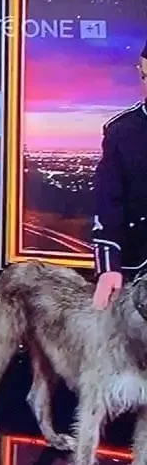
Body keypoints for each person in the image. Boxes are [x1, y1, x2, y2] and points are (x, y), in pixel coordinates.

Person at [91, 39, 147, 310]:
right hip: (138, 272)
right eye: (146, 76)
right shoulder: (121, 132)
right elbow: (107, 203)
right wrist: (109, 268)